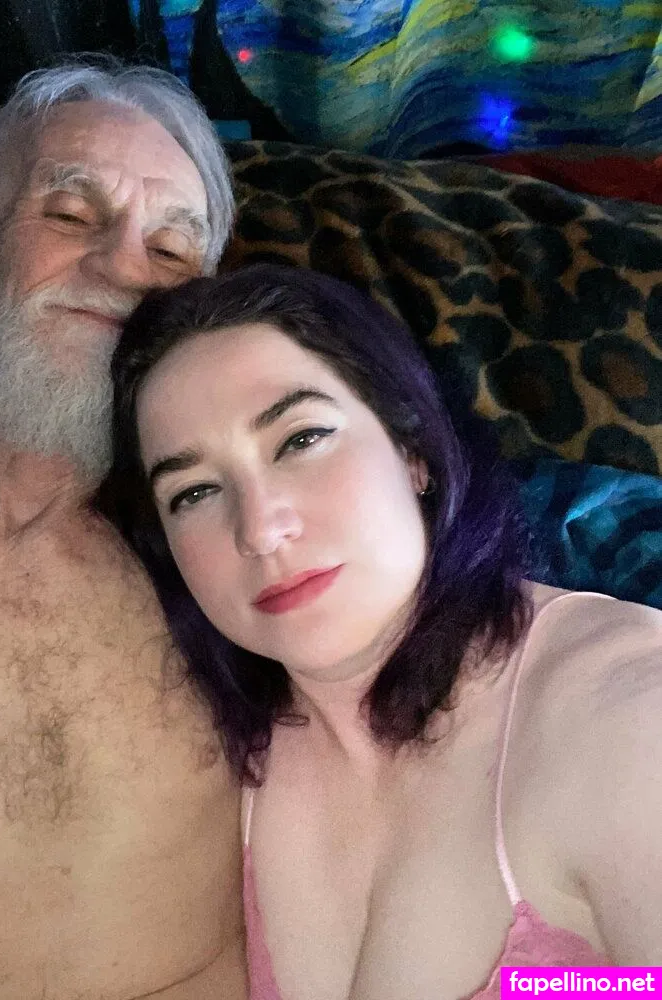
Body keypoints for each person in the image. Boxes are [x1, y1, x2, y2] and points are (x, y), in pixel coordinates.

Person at [100, 264, 662, 999]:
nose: (260, 529)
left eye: (301, 438)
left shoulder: (627, 716)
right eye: (195, 491)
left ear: (412, 450)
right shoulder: (200, 770)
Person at [0, 61, 249, 999]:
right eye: (70, 215)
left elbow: (507, 516)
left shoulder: (258, 522)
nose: (124, 271)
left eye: (171, 251)